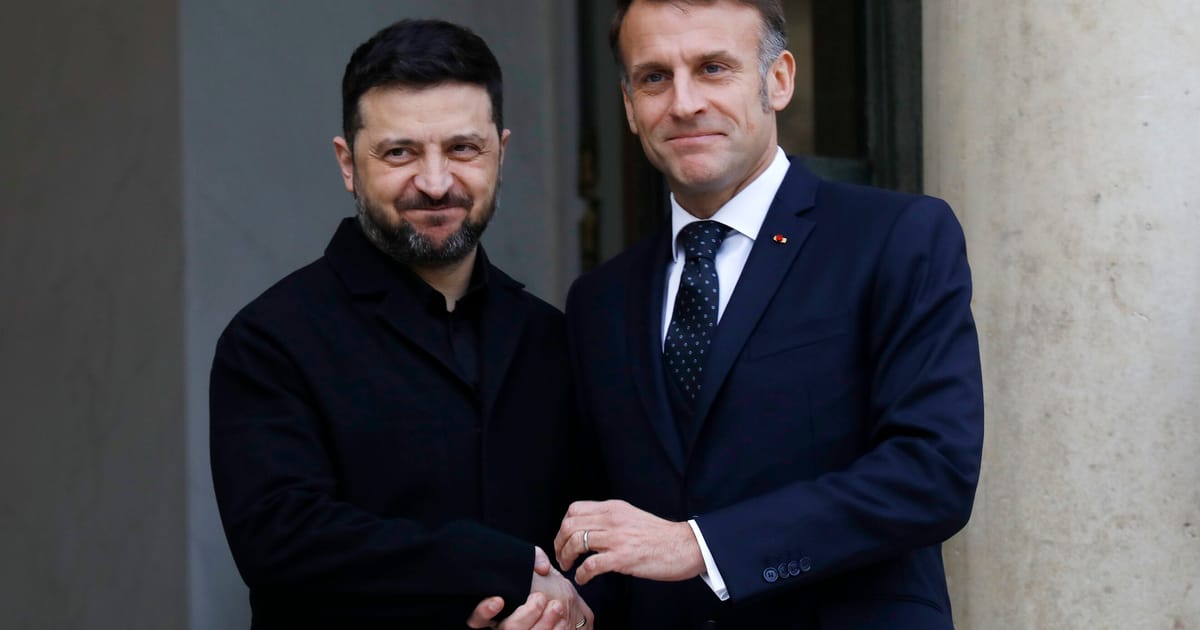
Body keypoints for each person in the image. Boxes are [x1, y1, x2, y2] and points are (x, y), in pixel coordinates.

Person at [551, 1, 985, 628]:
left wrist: (703, 547)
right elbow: (609, 520)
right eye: (654, 78)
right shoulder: (600, 301)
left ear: (778, 80)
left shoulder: (896, 238)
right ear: (628, 105)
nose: (683, 103)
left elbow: (931, 473)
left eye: (713, 68)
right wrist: (568, 600)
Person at [209, 19, 591, 629]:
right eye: (399, 152)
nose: (435, 184)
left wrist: (572, 611)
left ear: (500, 154)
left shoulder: (551, 338)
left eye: (463, 149)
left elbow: (600, 530)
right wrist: (500, 567)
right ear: (347, 163)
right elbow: (282, 541)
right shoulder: (270, 341)